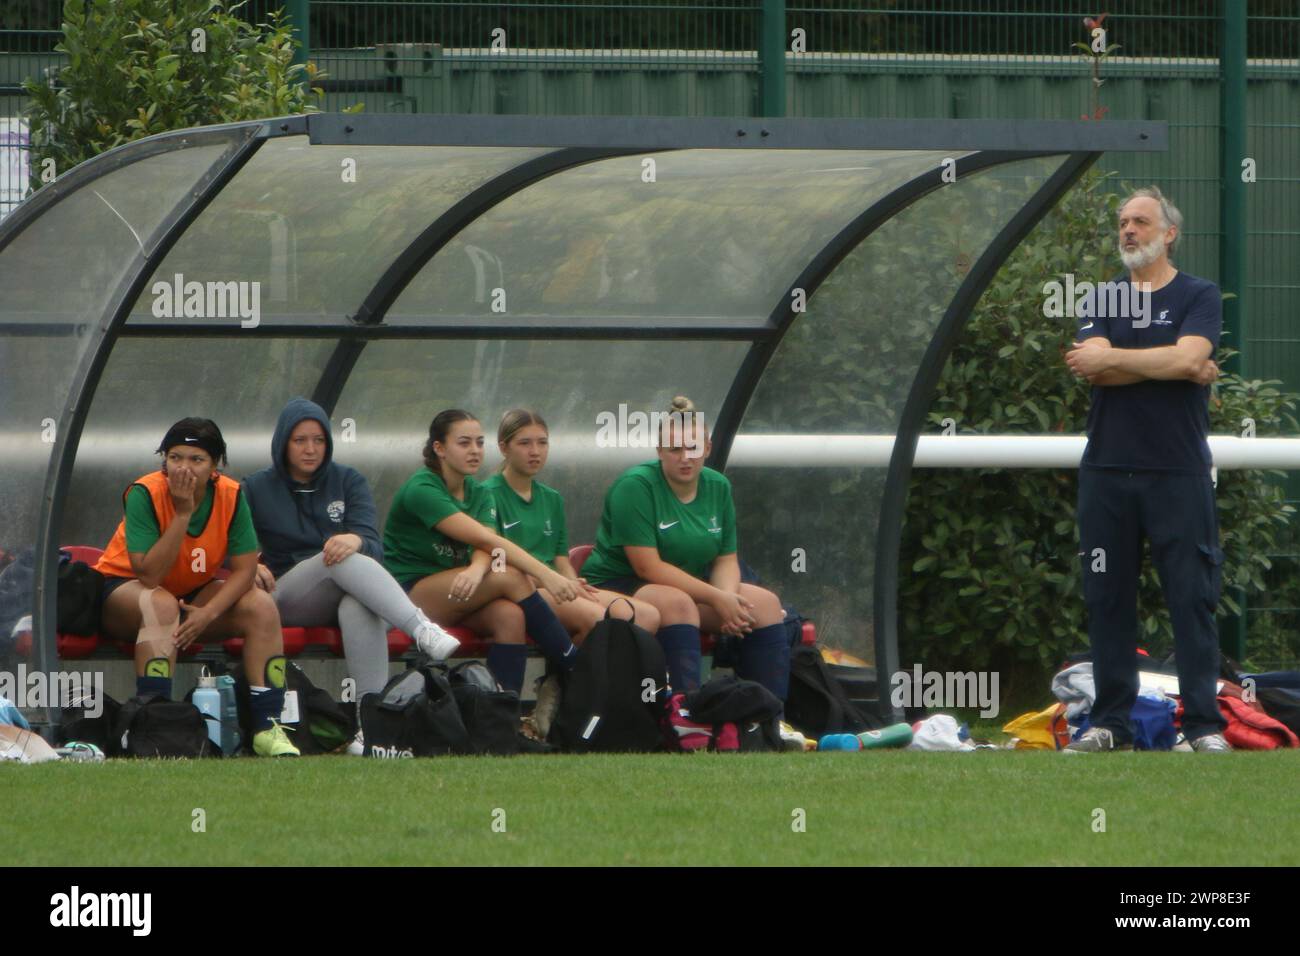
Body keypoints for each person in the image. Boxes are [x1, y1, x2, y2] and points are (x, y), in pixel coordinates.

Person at [1063, 185, 1231, 753]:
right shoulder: (1103, 298)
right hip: (1106, 472)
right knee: (1107, 600)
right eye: (1123, 222)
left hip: (1178, 472)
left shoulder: (1199, 293)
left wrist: (1129, 358)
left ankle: (1203, 728)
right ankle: (1111, 725)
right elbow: (1098, 370)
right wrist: (1177, 364)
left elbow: (1187, 357)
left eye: (1140, 221)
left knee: (1191, 599)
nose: (1128, 230)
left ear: (1169, 233)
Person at [242, 397, 461, 755]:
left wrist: (356, 538)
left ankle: (368, 729)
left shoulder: (348, 480)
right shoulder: (255, 487)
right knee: (337, 557)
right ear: (283, 442)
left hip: (345, 590)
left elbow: (375, 547)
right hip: (285, 596)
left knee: (359, 603)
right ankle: (419, 627)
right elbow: (237, 546)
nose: (311, 449)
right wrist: (253, 565)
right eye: (300, 440)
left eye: (319, 440)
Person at [94, 418, 298, 757]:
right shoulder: (145, 492)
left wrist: (208, 614)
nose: (184, 468)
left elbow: (245, 569)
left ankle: (268, 728)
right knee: (160, 605)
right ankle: (155, 724)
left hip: (191, 594)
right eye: (175, 458)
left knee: (260, 606)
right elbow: (150, 575)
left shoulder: (231, 495)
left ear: (215, 466)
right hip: (124, 589)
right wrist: (183, 513)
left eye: (196, 459)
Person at [580, 396, 791, 700]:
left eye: (692, 447)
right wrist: (717, 598)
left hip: (690, 586)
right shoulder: (635, 486)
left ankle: (768, 720)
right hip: (621, 583)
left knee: (766, 605)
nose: (685, 457)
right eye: (674, 449)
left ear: (707, 447)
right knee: (679, 605)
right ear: (659, 452)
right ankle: (686, 716)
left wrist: (729, 599)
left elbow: (725, 559)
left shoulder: (718, 485)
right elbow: (646, 567)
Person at [383, 409, 582, 695]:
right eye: (464, 443)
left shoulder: (478, 491)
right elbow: (485, 540)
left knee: (510, 616)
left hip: (462, 590)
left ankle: (501, 721)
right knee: (510, 575)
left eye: (479, 442)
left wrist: (476, 570)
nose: (475, 451)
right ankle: (573, 664)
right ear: (439, 448)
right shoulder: (423, 489)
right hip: (410, 599)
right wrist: (546, 575)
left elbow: (486, 545)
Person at [480, 408, 661, 642]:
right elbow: (496, 564)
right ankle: (577, 675)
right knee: (600, 620)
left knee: (647, 616)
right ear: (504, 448)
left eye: (542, 443)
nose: (535, 452)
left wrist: (572, 582)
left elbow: (560, 559)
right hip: (522, 590)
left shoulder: (552, 498)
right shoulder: (486, 494)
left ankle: (576, 674)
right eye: (524, 443)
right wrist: (557, 582)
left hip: (556, 586)